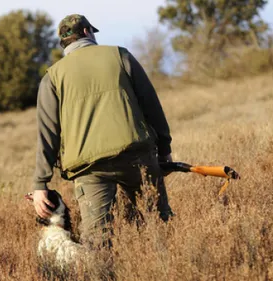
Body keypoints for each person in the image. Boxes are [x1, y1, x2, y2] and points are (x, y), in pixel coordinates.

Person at [32, 14, 173, 246]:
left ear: (63, 43)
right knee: (157, 225)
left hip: (89, 170)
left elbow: (47, 135)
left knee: (97, 241)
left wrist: (40, 185)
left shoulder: (52, 78)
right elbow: (151, 105)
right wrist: (165, 150)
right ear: (88, 32)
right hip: (137, 157)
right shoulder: (120, 55)